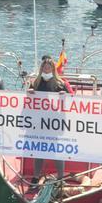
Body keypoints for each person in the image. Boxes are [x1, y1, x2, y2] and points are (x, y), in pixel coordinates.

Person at [27, 57, 71, 191]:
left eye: (49, 67)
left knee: (57, 151)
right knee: (39, 152)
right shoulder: (35, 82)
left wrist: (65, 95)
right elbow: (27, 100)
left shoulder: (60, 83)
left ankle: (60, 179)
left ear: (53, 68)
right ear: (42, 68)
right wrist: (29, 93)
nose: (47, 69)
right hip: (39, 123)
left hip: (54, 124)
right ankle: (35, 177)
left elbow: (72, 100)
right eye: (45, 67)